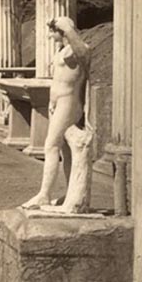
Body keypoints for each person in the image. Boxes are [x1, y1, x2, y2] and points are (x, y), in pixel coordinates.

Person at [21, 16, 91, 210]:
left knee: (50, 145)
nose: (51, 36)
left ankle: (44, 194)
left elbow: (84, 54)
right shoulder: (62, 50)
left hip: (70, 102)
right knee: (65, 150)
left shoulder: (78, 49)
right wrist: (52, 101)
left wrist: (68, 29)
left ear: (63, 31)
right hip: (58, 103)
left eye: (53, 32)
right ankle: (70, 193)